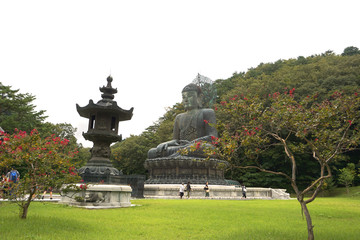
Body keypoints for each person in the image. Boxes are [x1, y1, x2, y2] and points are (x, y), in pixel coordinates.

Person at [147, 83, 218, 159]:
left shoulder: (207, 112)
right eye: (183, 97)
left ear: (199, 97)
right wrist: (166, 143)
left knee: (202, 148)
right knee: (152, 152)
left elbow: (213, 137)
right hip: (182, 147)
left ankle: (175, 157)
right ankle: (179, 156)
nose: (186, 100)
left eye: (190, 96)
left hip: (198, 146)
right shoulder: (179, 117)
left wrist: (194, 142)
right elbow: (176, 140)